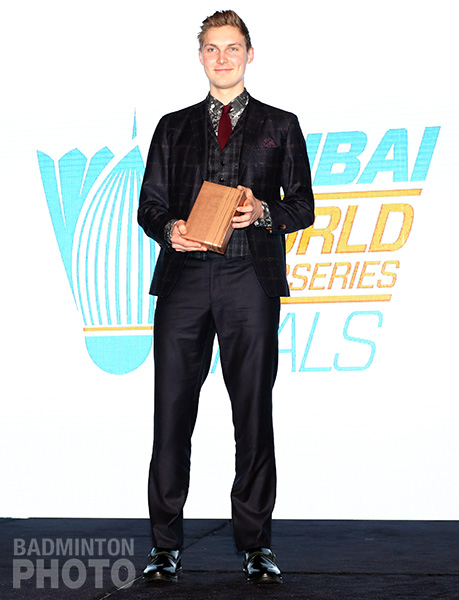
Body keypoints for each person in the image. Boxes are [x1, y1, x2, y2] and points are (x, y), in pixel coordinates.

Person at [138, 9, 314, 585]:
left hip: (250, 281)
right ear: (200, 56)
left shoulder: (280, 124)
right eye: (212, 48)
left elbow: (303, 207)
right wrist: (170, 230)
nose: (222, 58)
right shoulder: (172, 126)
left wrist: (262, 211)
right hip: (185, 281)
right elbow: (149, 205)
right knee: (171, 415)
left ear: (249, 54)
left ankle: (256, 545)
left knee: (253, 415)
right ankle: (165, 546)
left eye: (232, 48)